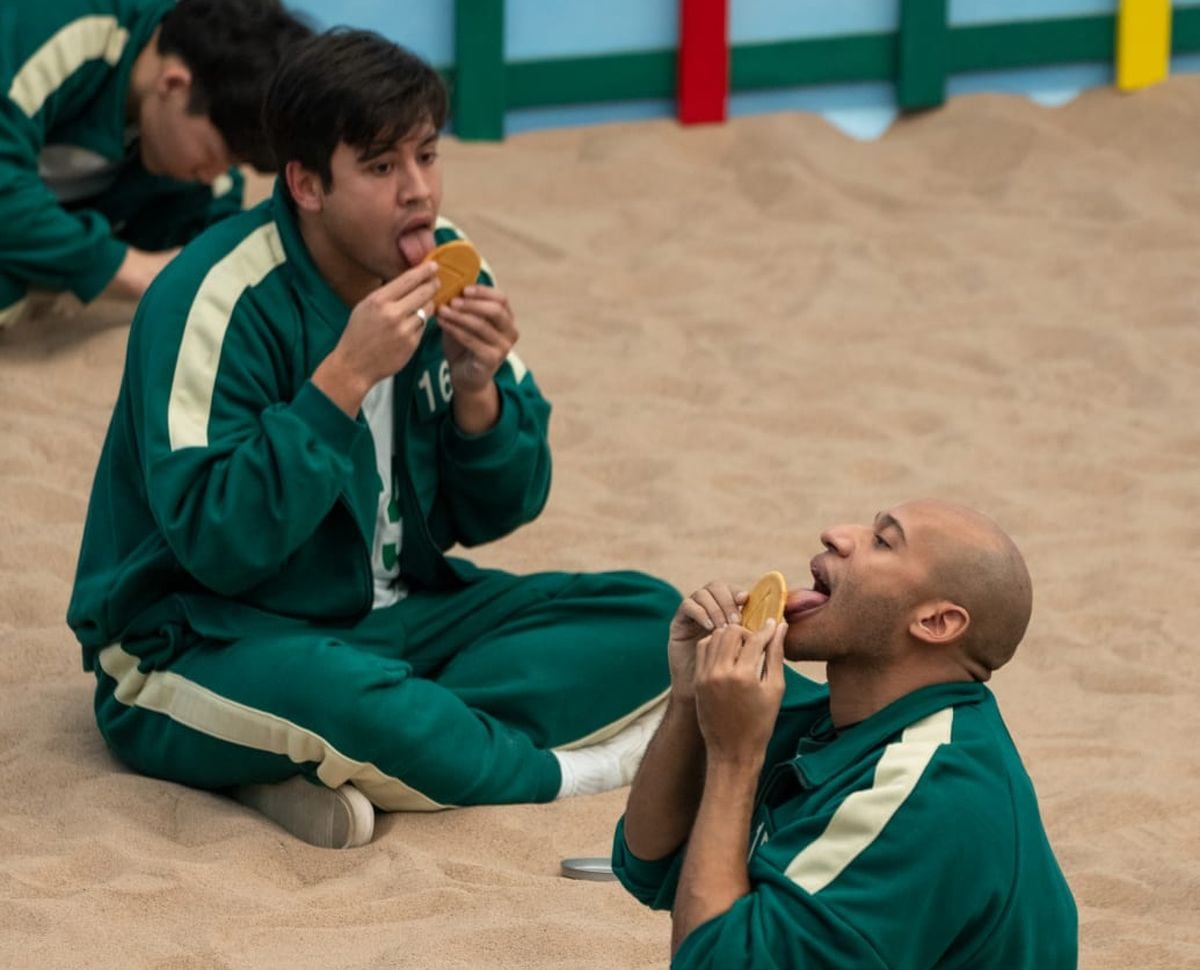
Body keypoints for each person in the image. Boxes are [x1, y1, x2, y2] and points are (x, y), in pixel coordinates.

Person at [66, 29, 676, 850]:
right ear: (307, 184)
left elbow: (507, 505)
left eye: (427, 155)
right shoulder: (211, 299)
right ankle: (558, 770)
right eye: (383, 167)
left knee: (656, 618)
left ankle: (335, 757)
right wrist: (340, 383)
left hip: (393, 616)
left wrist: (477, 392)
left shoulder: (450, 264)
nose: (419, 193)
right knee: (341, 696)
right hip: (197, 639)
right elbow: (219, 544)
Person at [614, 499, 1078, 968]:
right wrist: (689, 698)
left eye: (882, 542)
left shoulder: (927, 792)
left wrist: (734, 759)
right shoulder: (830, 716)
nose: (835, 534)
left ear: (936, 622)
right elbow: (650, 863)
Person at [0, 0, 311, 329]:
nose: (212, 174)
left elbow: (222, 248)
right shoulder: (63, 26)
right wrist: (126, 269)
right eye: (215, 155)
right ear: (174, 85)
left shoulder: (192, 135)